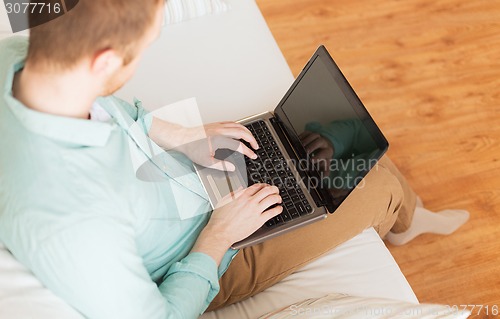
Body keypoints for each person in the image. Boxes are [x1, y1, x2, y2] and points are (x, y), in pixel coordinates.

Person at [0, 1, 469, 318]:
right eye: (144, 47)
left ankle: (401, 204)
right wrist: (219, 235)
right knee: (376, 185)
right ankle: (406, 219)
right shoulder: (74, 225)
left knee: (322, 150)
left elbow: (105, 104)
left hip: (188, 176)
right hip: (201, 248)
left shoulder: (21, 55)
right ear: (104, 62)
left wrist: (177, 134)